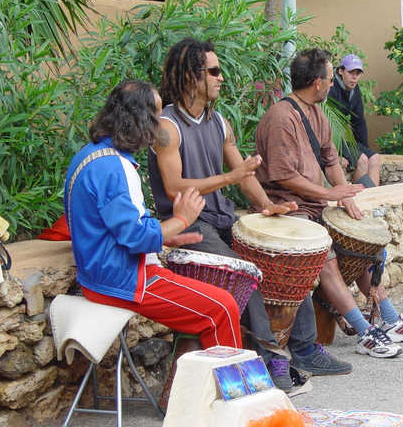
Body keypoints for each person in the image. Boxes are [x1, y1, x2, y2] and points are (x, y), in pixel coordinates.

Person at [147, 38, 351, 391]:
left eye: (219, 70)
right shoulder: (167, 127)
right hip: (188, 225)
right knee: (248, 274)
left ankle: (299, 347)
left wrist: (268, 205)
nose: (220, 77)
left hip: (222, 220)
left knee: (281, 262)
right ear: (188, 77)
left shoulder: (218, 121)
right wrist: (230, 178)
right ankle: (272, 359)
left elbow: (244, 173)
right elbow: (173, 188)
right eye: (212, 71)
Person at [253, 47, 403, 363]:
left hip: (314, 206)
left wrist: (345, 196)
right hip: (288, 210)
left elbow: (331, 160)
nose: (330, 82)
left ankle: (390, 320)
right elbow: (283, 177)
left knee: (362, 251)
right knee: (329, 261)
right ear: (318, 84)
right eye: (327, 77)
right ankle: (365, 332)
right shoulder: (281, 118)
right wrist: (328, 195)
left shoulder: (315, 114)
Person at [64, 79, 242, 350]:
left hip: (102, 276)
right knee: (222, 306)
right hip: (123, 281)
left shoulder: (90, 155)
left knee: (210, 303)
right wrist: (181, 220)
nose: (159, 125)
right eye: (155, 116)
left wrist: (166, 236)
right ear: (136, 119)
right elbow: (136, 237)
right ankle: (230, 388)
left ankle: (191, 386)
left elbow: (116, 226)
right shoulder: (114, 167)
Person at [328, 54, 380, 186]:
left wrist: (364, 148)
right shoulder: (330, 87)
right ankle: (360, 201)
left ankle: (376, 201)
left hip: (341, 140)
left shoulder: (354, 90)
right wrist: (335, 154)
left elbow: (359, 122)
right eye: (351, 72)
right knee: (361, 159)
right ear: (341, 71)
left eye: (358, 73)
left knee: (374, 158)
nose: (354, 77)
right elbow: (323, 126)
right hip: (328, 141)